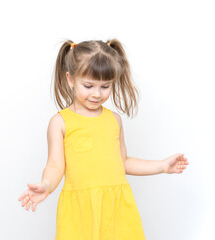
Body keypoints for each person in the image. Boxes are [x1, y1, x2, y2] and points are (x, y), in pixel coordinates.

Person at [17, 38, 189, 239]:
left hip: (117, 210)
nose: (97, 94)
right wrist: (46, 185)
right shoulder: (60, 122)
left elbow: (123, 162)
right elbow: (55, 165)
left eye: (105, 86)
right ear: (71, 79)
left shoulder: (114, 119)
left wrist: (162, 166)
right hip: (80, 212)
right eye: (88, 86)